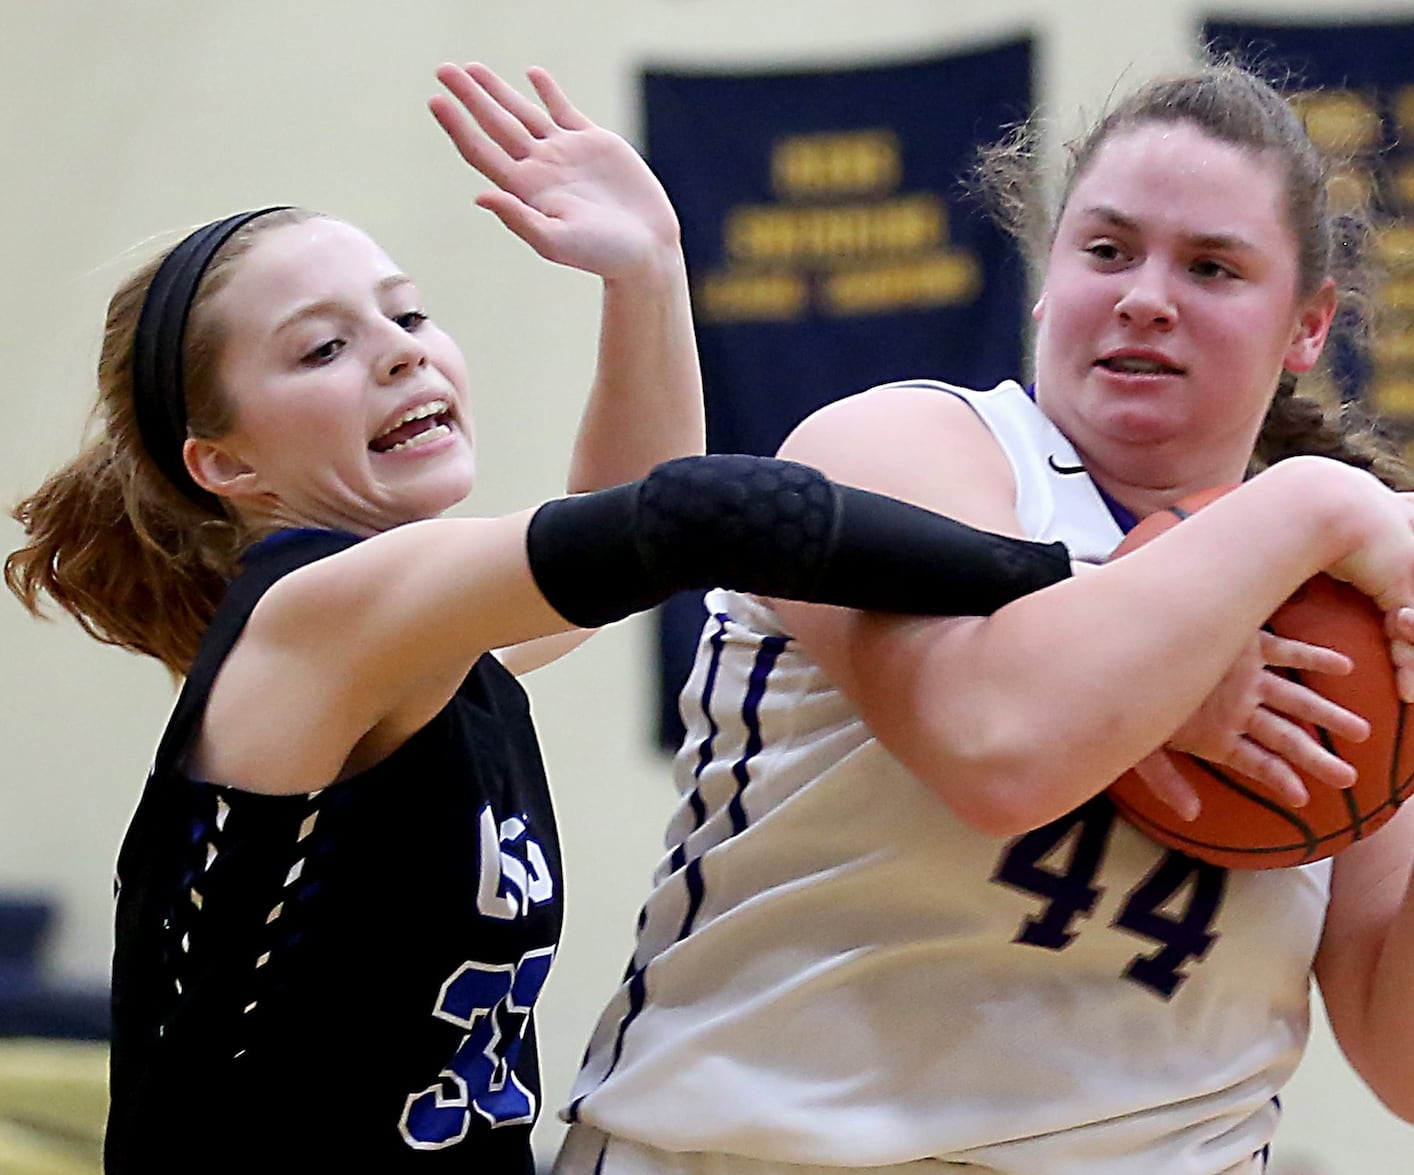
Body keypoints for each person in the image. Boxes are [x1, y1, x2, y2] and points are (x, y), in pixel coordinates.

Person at [2, 64, 1086, 1173]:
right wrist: (1078, 580)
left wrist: (649, 270)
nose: (400, 347)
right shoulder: (314, 618)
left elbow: (630, 517)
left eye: (408, 310)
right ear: (224, 461)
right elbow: (694, 515)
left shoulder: (412, 652)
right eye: (323, 348)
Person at [555, 60, 1414, 1174]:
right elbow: (997, 747)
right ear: (1045, 277)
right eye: (1107, 250)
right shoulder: (897, 449)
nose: (1144, 296)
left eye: (1211, 266)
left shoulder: (1347, 608)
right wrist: (1317, 500)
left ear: (1308, 325)